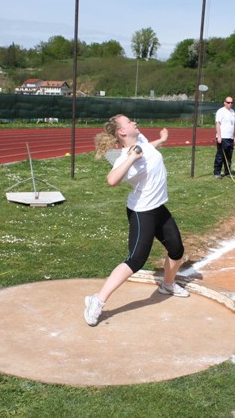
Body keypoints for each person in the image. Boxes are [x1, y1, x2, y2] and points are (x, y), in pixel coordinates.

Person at [85, 114, 189, 326]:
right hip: (142, 212)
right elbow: (112, 180)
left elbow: (148, 149)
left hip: (158, 207)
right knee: (135, 260)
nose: (134, 122)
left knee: (177, 250)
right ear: (122, 132)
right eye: (129, 122)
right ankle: (97, 300)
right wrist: (132, 157)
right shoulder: (126, 156)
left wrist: (160, 141)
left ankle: (167, 285)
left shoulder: (141, 141)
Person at [213, 96, 235, 179]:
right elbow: (218, 124)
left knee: (229, 157)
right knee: (220, 156)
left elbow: (234, 125)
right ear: (224, 102)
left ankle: (227, 173)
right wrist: (219, 136)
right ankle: (217, 173)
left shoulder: (233, 112)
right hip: (222, 138)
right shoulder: (220, 111)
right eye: (228, 102)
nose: (230, 104)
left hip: (230, 138)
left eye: (231, 102)